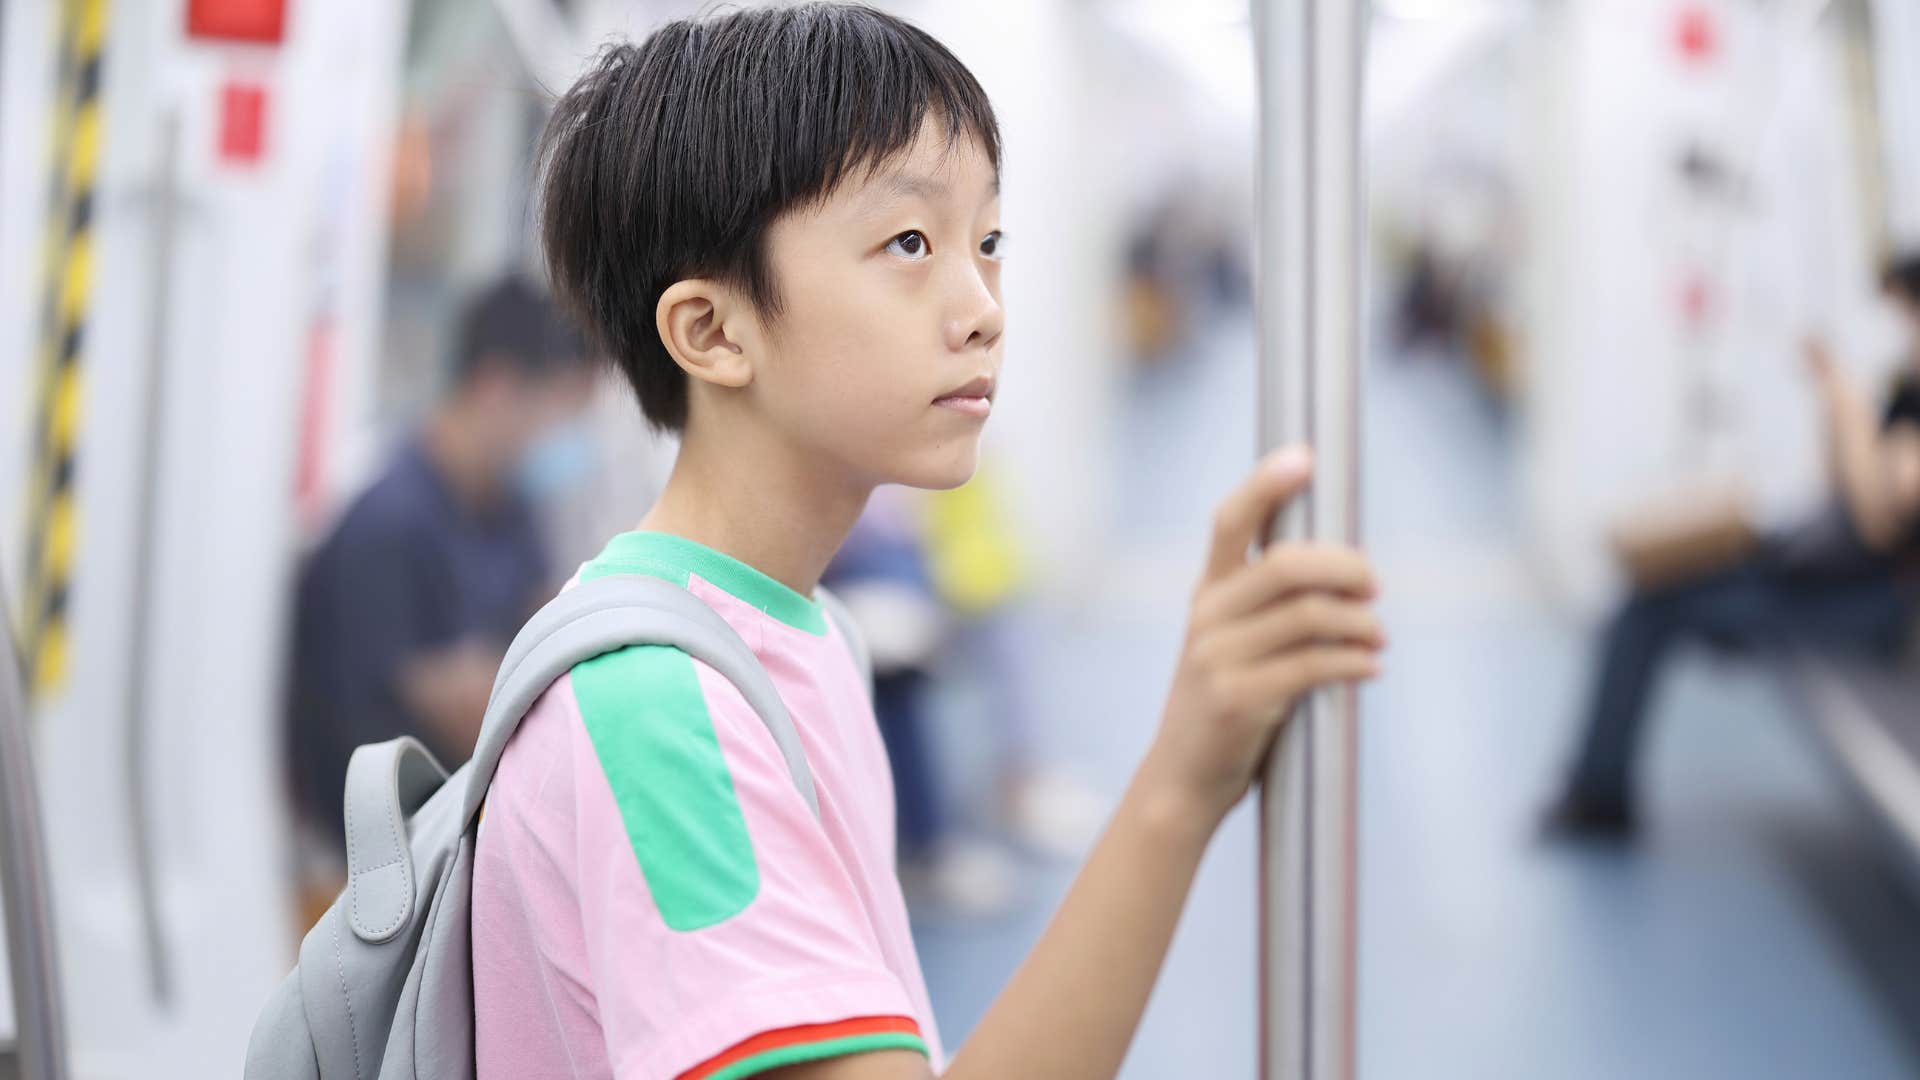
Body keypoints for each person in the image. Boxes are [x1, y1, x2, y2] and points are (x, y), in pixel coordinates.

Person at [470, 7, 1385, 1079]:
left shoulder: (804, 638)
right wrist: (1179, 785)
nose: (983, 307)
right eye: (909, 243)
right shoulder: (660, 717)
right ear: (713, 332)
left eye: (986, 242)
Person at [1546, 255, 1920, 838]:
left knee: (1646, 613)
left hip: (1868, 603)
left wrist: (1850, 410)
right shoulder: (1905, 390)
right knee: (1645, 597)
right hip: (1818, 571)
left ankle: (1600, 793)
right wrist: (1833, 408)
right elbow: (1845, 487)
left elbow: (1880, 520)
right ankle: (1599, 788)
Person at [286, 275, 593, 850]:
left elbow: (551, 623)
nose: (570, 439)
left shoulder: (509, 510)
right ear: (497, 388)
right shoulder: (389, 523)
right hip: (381, 859)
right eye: (562, 413)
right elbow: (476, 709)